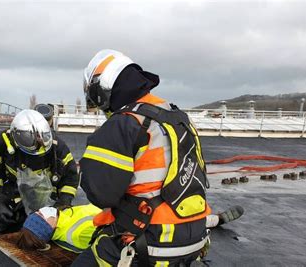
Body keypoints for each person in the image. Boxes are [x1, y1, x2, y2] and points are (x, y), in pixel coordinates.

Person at [73, 49, 215, 266]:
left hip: (150, 243)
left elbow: (101, 195)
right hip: (196, 237)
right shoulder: (177, 117)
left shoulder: (124, 123)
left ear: (102, 88)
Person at [0, 109, 79, 233]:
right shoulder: (1, 143)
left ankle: (28, 217)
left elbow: (71, 178)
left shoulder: (58, 146)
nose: (39, 143)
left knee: (53, 229)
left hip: (46, 194)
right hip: (15, 191)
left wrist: (63, 203)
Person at [14, 204, 244, 254]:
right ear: (48, 227)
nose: (42, 211)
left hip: (122, 209)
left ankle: (206, 219)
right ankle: (210, 222)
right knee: (169, 221)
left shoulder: (63, 217)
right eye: (41, 217)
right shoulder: (74, 232)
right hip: (133, 223)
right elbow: (110, 233)